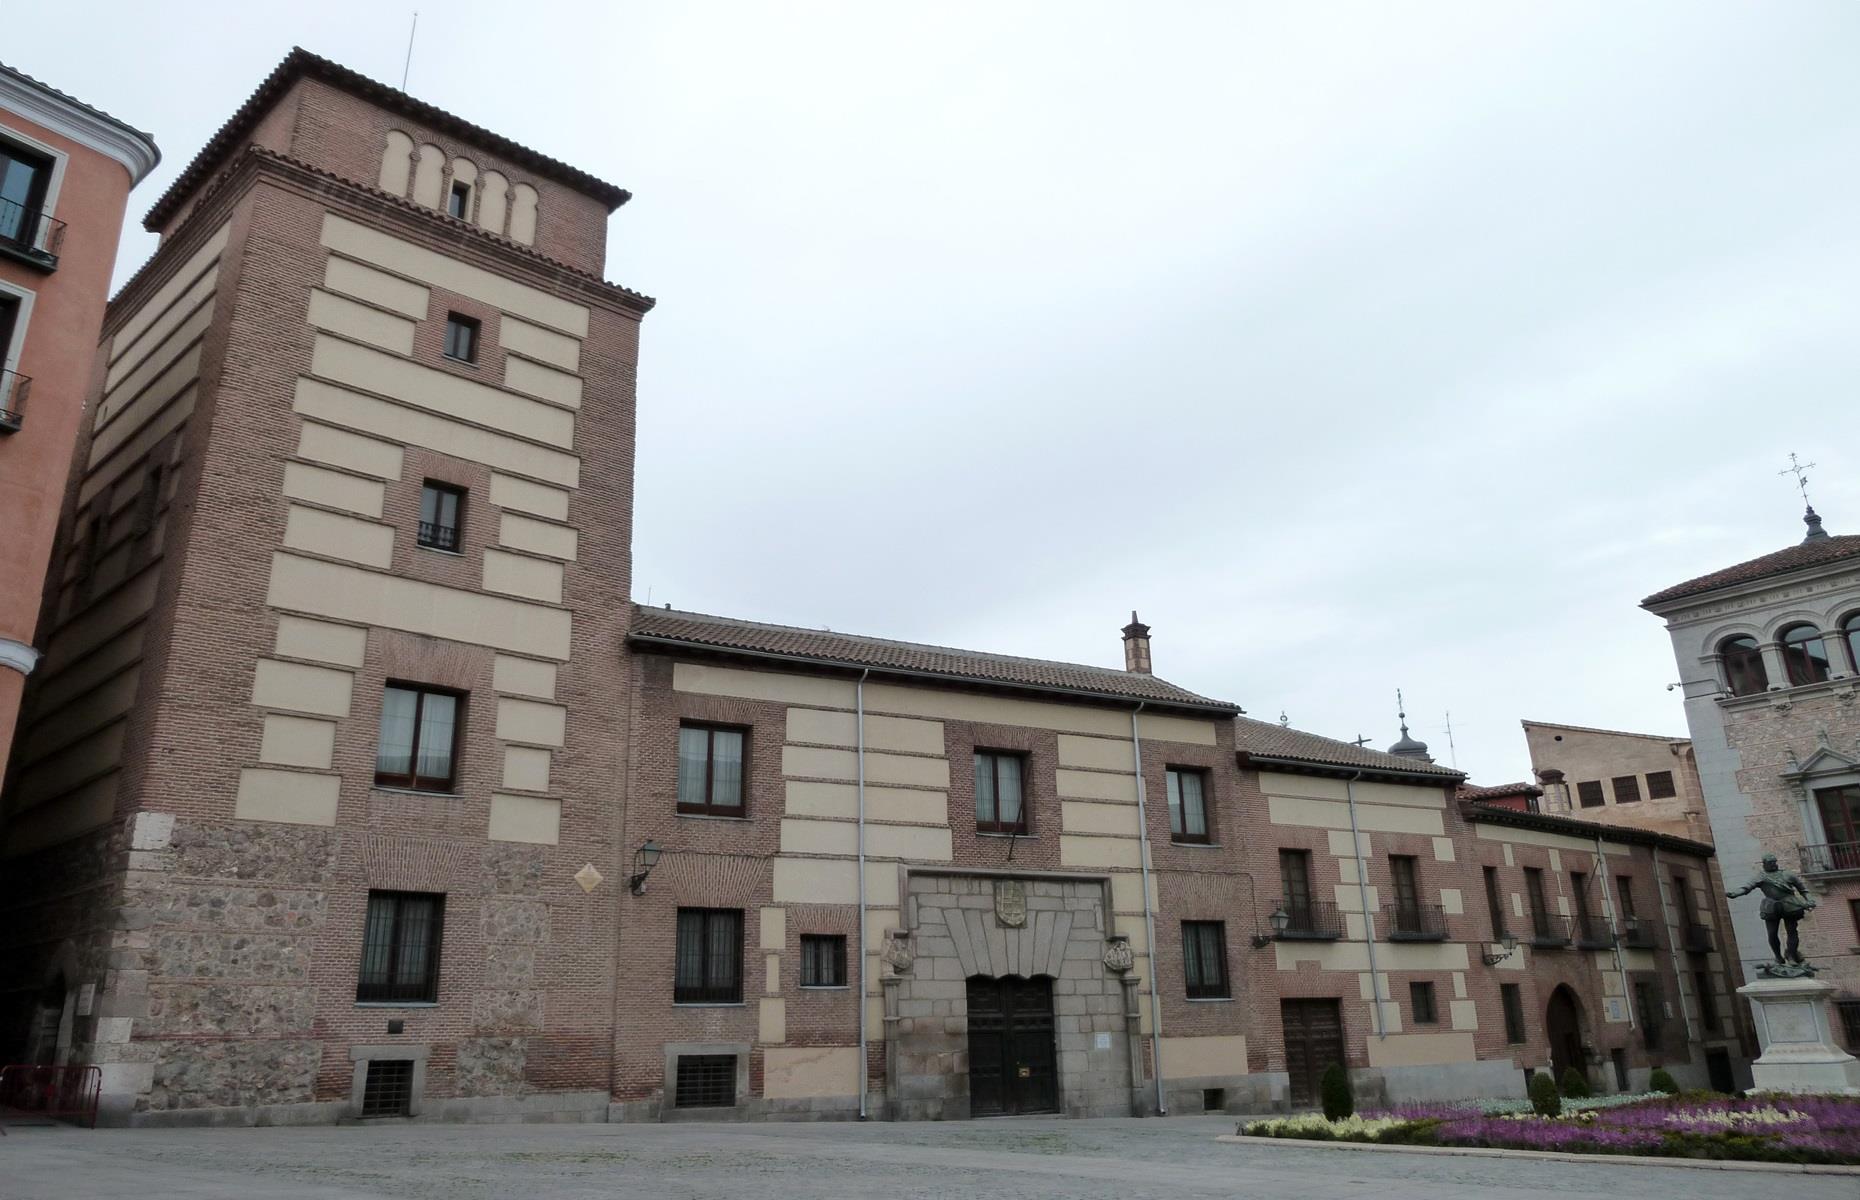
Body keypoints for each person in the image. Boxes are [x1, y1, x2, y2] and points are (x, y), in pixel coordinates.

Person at [1727, 853, 1816, 965]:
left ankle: (1791, 955)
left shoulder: (1788, 874)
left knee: (1792, 931)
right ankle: (1778, 957)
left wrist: (1810, 900)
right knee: (1772, 933)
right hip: (1771, 906)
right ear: (1764, 864)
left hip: (1790, 905)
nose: (1773, 864)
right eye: (1770, 863)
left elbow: (1803, 890)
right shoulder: (1760, 877)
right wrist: (1735, 893)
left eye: (1774, 862)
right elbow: (1747, 887)